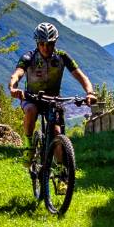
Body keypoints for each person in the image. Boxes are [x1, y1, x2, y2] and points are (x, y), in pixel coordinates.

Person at [7, 22, 96, 167]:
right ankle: (29, 146)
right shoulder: (29, 57)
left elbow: (81, 76)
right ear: (37, 43)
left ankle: (62, 173)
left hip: (53, 99)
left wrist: (90, 93)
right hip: (32, 98)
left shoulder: (62, 57)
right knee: (31, 110)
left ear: (55, 42)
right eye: (42, 43)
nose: (45, 47)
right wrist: (13, 88)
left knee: (56, 131)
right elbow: (17, 74)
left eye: (50, 44)